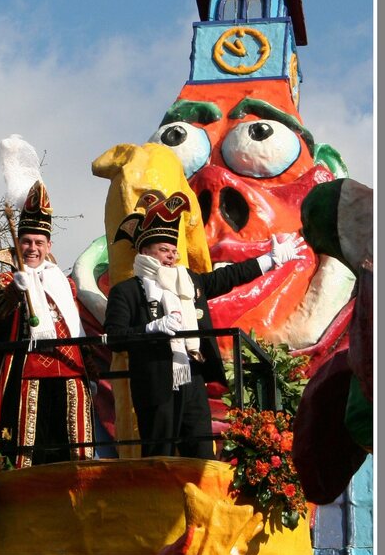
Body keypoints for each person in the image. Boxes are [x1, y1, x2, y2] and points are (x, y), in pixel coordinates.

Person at [103, 189, 306, 459]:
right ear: (144, 251)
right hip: (155, 381)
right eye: (164, 250)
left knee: (200, 451)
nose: (171, 256)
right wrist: (150, 329)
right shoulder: (127, 291)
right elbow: (114, 337)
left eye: (174, 251)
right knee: (159, 453)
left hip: (193, 377)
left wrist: (270, 260)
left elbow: (227, 276)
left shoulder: (188, 281)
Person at [0, 180, 95, 468]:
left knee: (73, 450)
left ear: (49, 246)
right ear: (17, 244)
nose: (32, 248)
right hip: (27, 375)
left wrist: (92, 369)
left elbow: (78, 328)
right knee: (28, 454)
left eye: (38, 243)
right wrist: (15, 290)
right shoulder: (5, 280)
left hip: (70, 372)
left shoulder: (65, 285)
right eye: (26, 242)